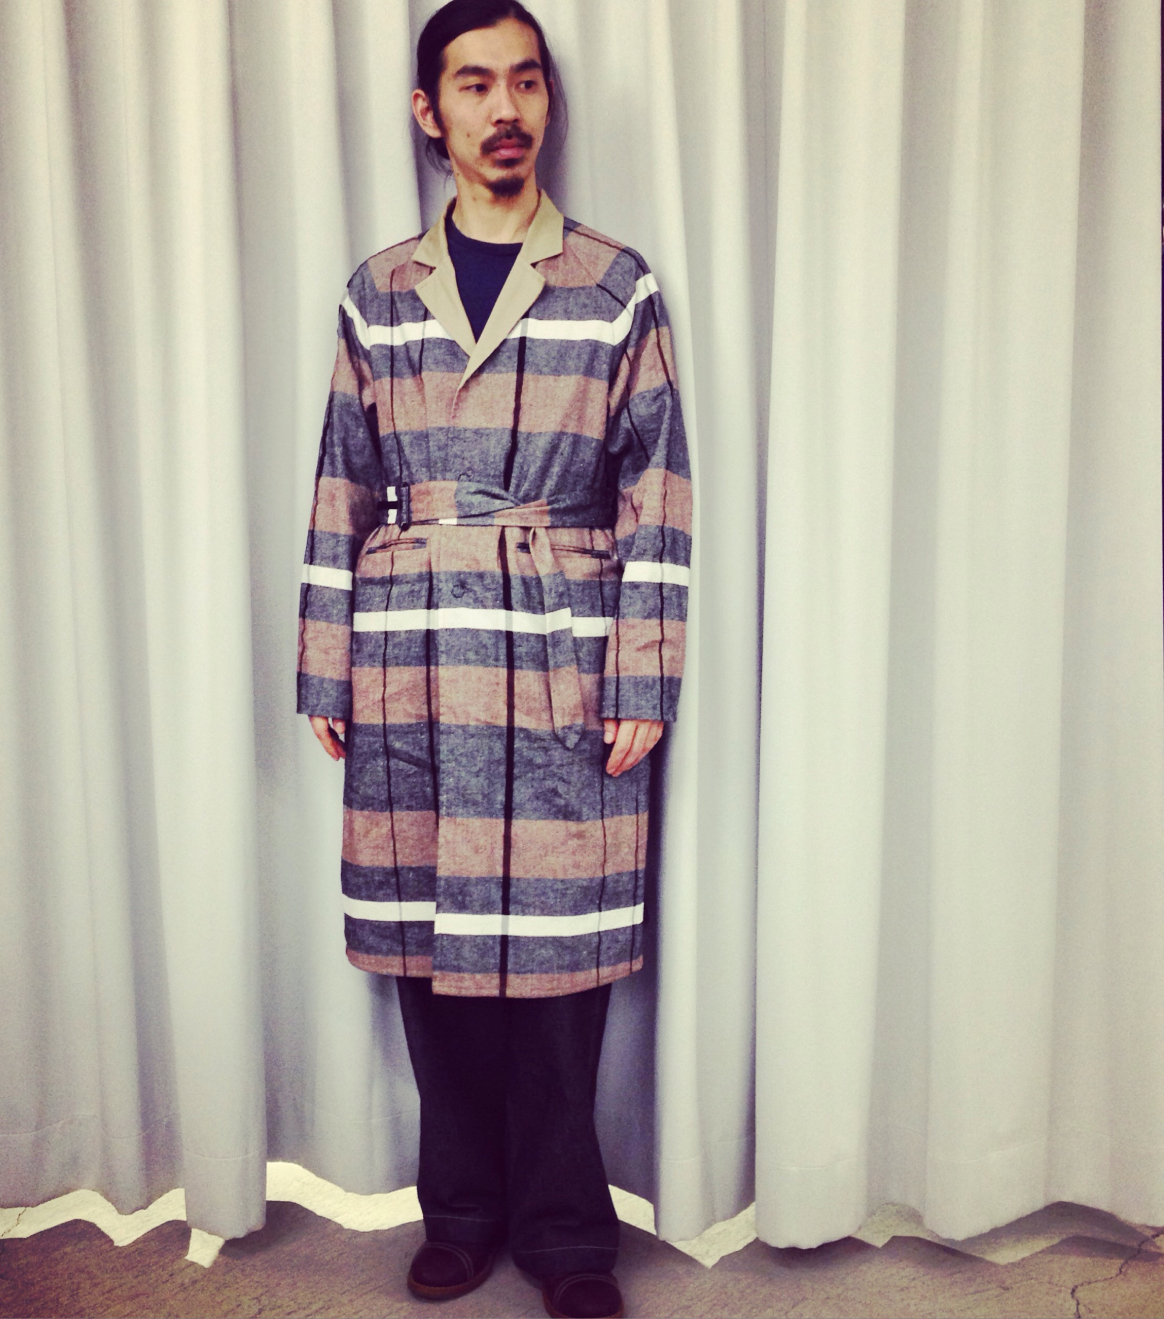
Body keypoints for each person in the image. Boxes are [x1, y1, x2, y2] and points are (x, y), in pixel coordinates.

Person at [296, 2, 691, 1315]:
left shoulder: (614, 284)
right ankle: (460, 1214)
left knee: (559, 966)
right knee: (435, 955)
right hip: (411, 650)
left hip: (562, 645)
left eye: (524, 80)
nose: (504, 107)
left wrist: (643, 673)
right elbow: (341, 482)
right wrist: (325, 666)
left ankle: (570, 1235)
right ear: (431, 111)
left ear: (546, 103)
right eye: (474, 84)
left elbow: (659, 489)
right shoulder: (378, 292)